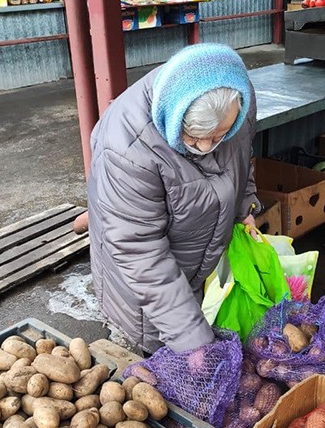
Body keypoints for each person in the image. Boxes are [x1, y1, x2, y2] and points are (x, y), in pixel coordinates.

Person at [87, 44, 260, 355]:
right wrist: (194, 343)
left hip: (193, 259)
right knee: (153, 343)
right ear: (173, 113)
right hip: (142, 281)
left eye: (218, 136)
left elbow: (243, 157)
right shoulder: (128, 149)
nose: (205, 147)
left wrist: (245, 203)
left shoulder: (238, 96)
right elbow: (141, 254)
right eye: (193, 137)